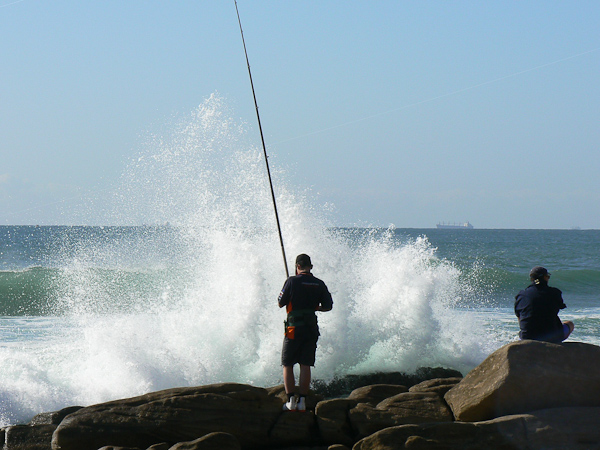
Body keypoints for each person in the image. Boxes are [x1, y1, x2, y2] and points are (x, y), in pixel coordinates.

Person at [278, 253, 333, 411]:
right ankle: (302, 401)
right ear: (311, 266)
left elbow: (280, 303)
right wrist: (315, 308)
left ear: (297, 267)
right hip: (311, 329)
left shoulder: (291, 281)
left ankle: (290, 402)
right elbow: (328, 306)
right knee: (305, 364)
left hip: (294, 329)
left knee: (287, 364)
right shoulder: (319, 283)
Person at [514, 266, 574, 343]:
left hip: (527, 337)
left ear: (532, 278)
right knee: (570, 324)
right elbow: (559, 307)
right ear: (545, 277)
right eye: (548, 276)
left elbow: (519, 316)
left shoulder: (521, 295)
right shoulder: (555, 292)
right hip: (552, 337)